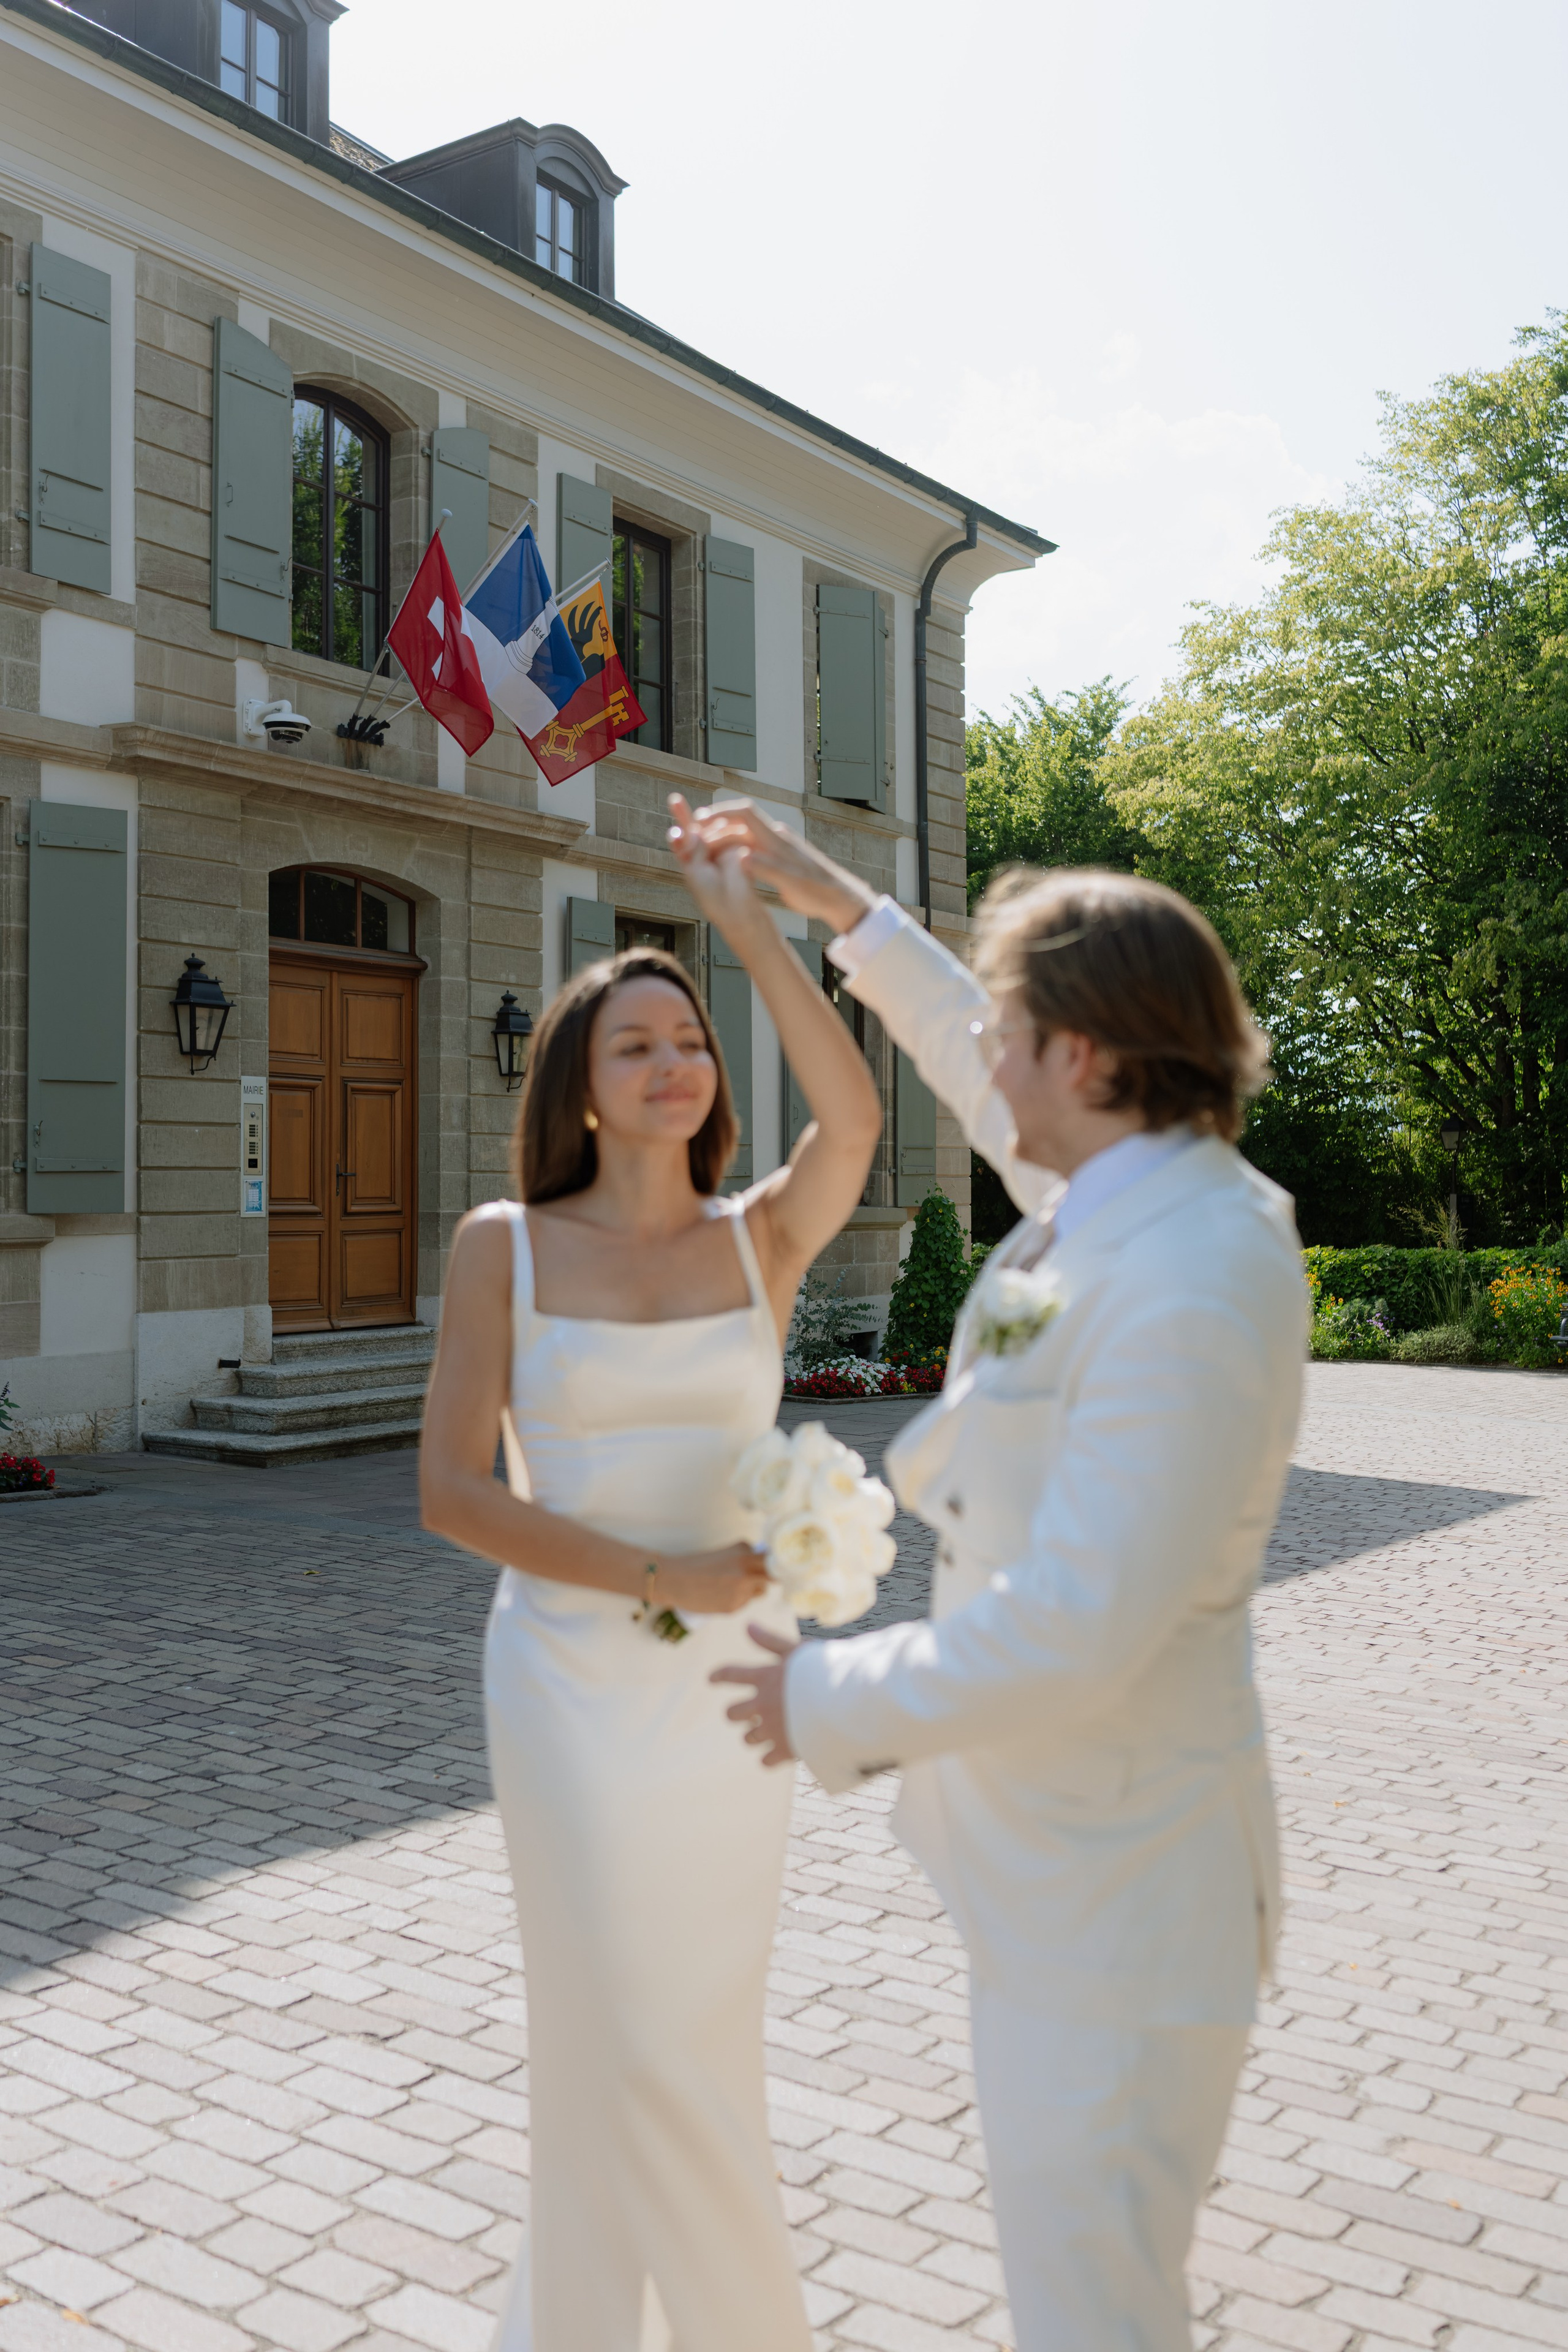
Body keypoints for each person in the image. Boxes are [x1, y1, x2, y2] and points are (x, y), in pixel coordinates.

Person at [674, 798, 1308, 2352]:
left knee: (1093, 2310)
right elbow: (961, 1050)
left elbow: (1082, 1621)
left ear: (1085, 1059)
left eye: (1018, 1031)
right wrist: (837, 907)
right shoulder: (1114, 1203)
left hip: (1124, 1913)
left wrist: (823, 1693)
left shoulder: (1195, 1267)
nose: (992, 1061)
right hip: (1055, 1888)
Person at [420, 796, 881, 2352]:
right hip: (564, 1681)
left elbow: (856, 1121)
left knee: (691, 2037)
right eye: (635, 1046)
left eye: (686, 1038)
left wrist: (749, 929)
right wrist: (655, 1568)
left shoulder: (762, 1240)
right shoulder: (507, 1246)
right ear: (584, 1090)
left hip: (725, 1701)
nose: (673, 1062)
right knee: (609, 2033)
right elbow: (450, 1492)